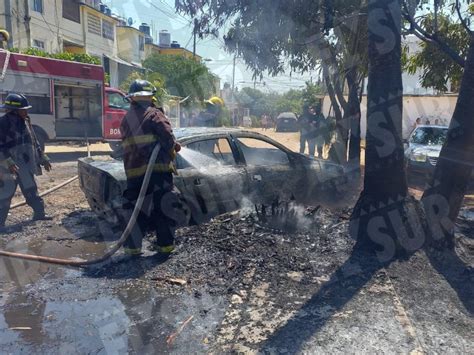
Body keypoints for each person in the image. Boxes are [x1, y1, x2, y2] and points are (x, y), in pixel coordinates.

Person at [120, 80, 181, 256]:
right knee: (164, 207)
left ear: (131, 98)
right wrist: (174, 146)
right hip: (157, 171)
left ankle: (132, 248)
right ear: (151, 97)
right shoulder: (155, 115)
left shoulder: (127, 118)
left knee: (135, 209)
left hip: (133, 173)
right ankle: (165, 247)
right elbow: (168, 138)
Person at [0, 93, 52, 233]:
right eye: (24, 109)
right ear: (13, 111)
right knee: (5, 194)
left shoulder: (25, 121)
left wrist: (43, 157)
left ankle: (39, 215)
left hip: (24, 165)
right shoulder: (2, 123)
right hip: (7, 167)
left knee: (31, 190)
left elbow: (34, 141)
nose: (26, 112)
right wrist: (8, 162)